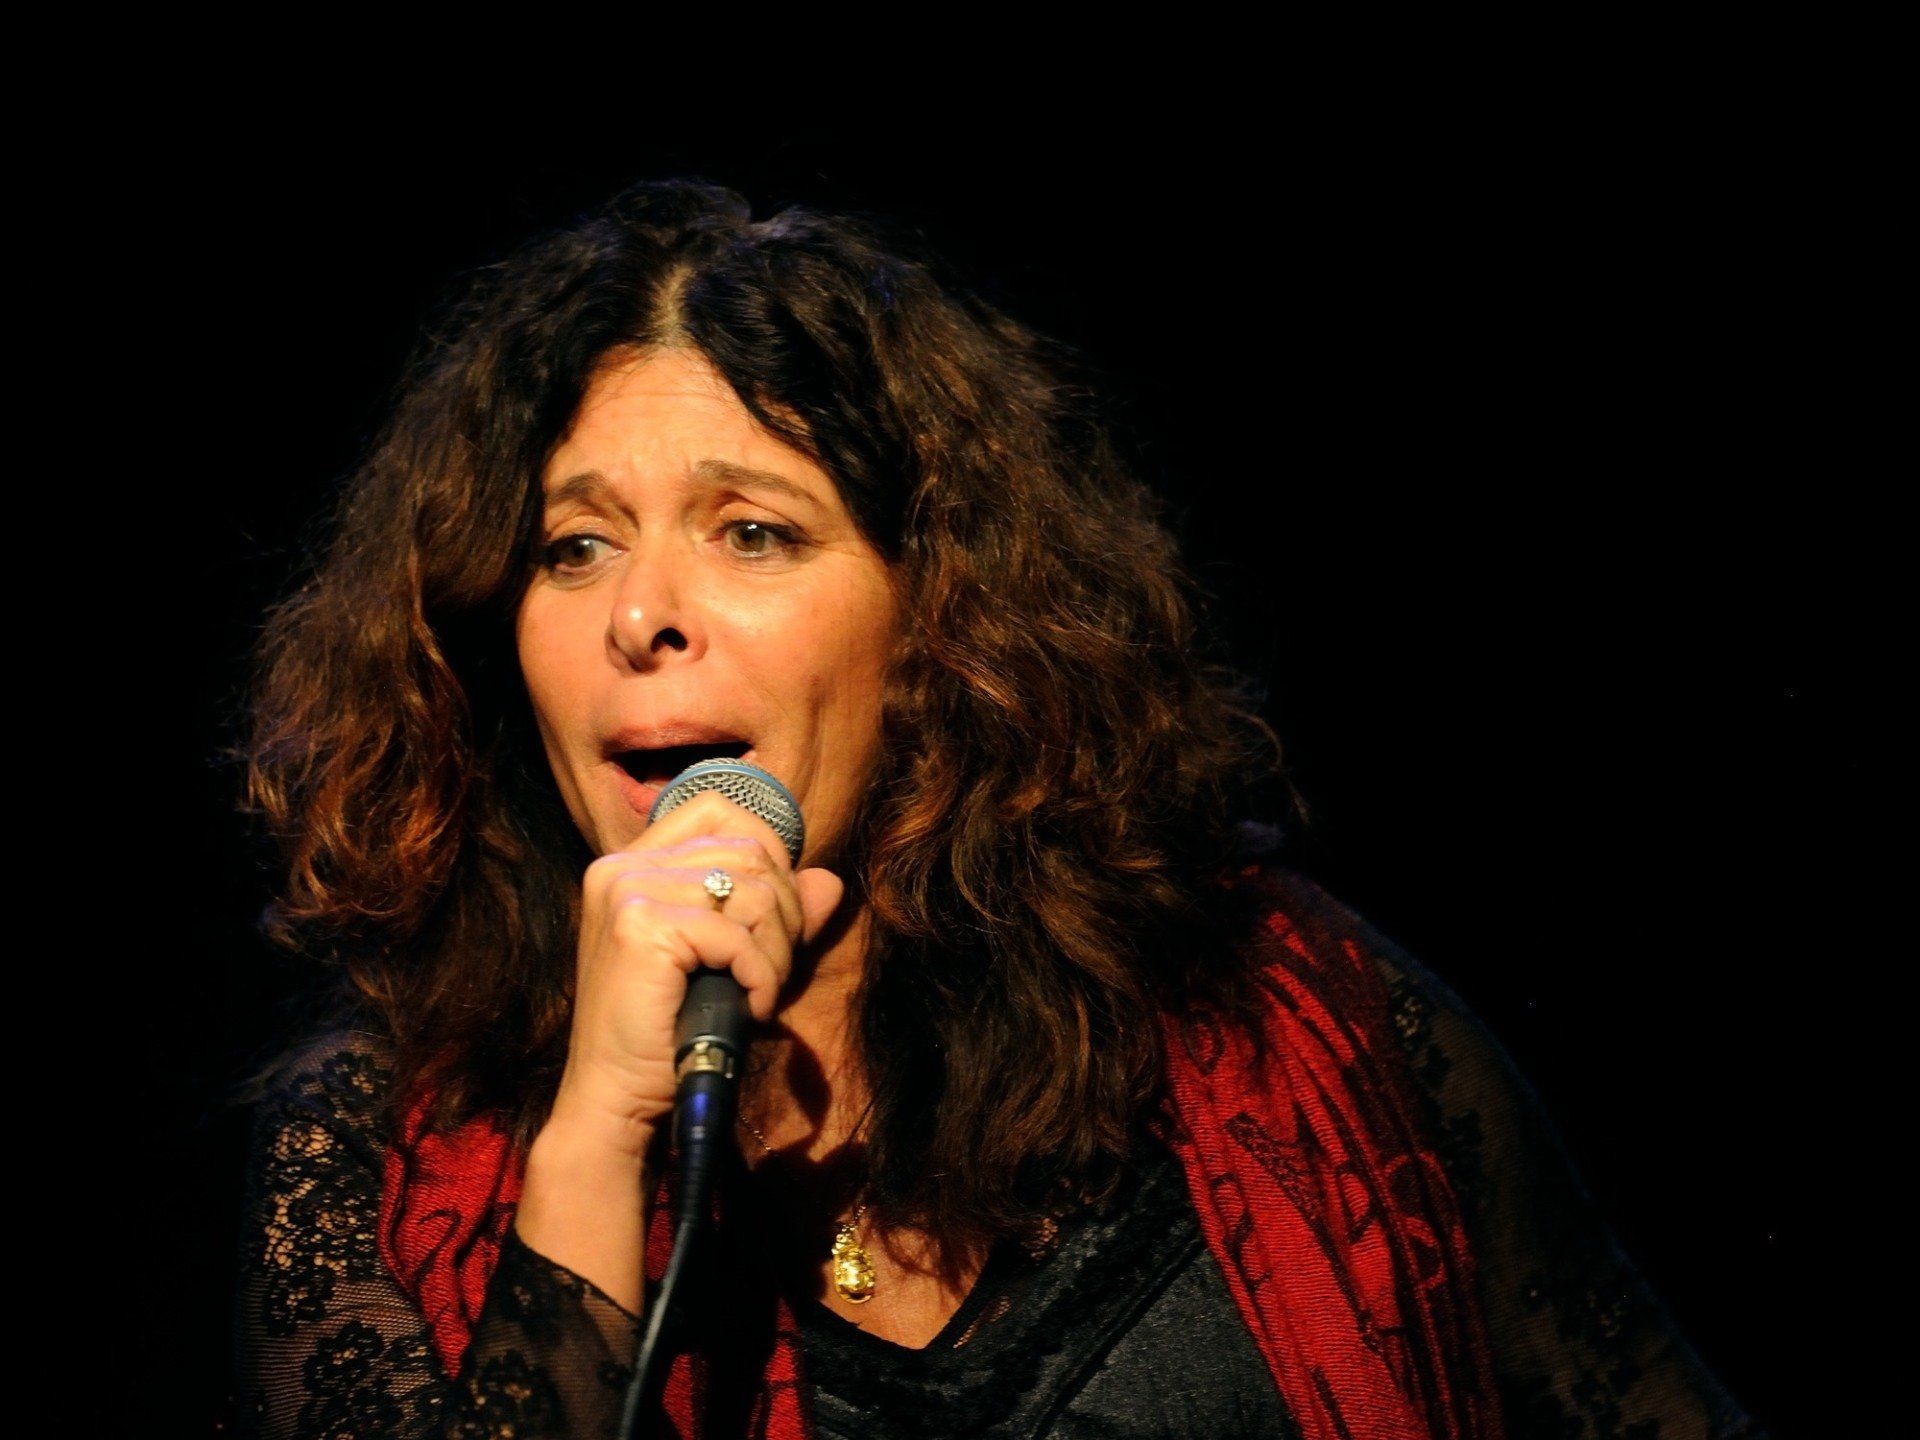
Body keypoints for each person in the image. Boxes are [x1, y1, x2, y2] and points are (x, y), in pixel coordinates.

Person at [226, 178, 1767, 1440]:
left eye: (751, 531)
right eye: (574, 547)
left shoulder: (1274, 999)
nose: (641, 615)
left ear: (938, 619)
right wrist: (595, 1138)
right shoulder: (371, 1136)